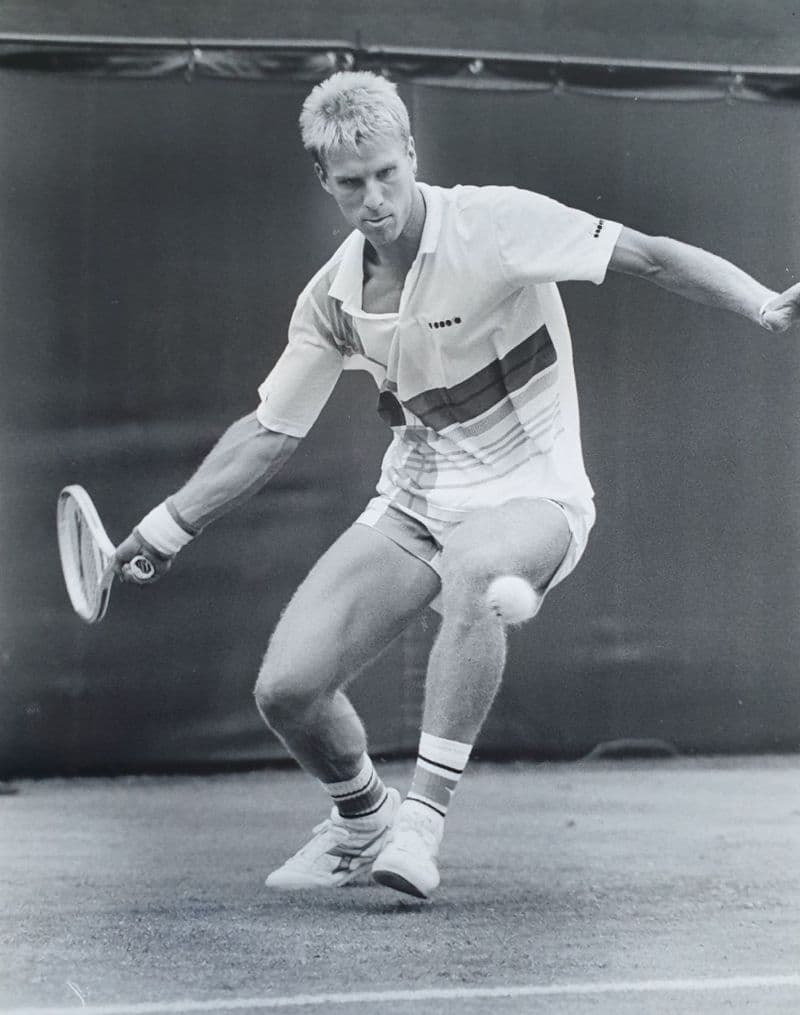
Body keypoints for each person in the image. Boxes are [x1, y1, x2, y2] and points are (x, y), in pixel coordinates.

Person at [115, 70, 800, 899]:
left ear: (411, 152)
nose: (374, 198)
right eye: (351, 183)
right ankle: (363, 819)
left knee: (478, 566)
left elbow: (648, 257)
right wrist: (160, 532)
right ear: (324, 183)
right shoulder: (330, 301)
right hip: (413, 504)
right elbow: (267, 432)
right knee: (287, 691)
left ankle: (421, 826)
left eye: (386, 174)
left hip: (535, 495)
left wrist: (762, 304)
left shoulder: (496, 224)